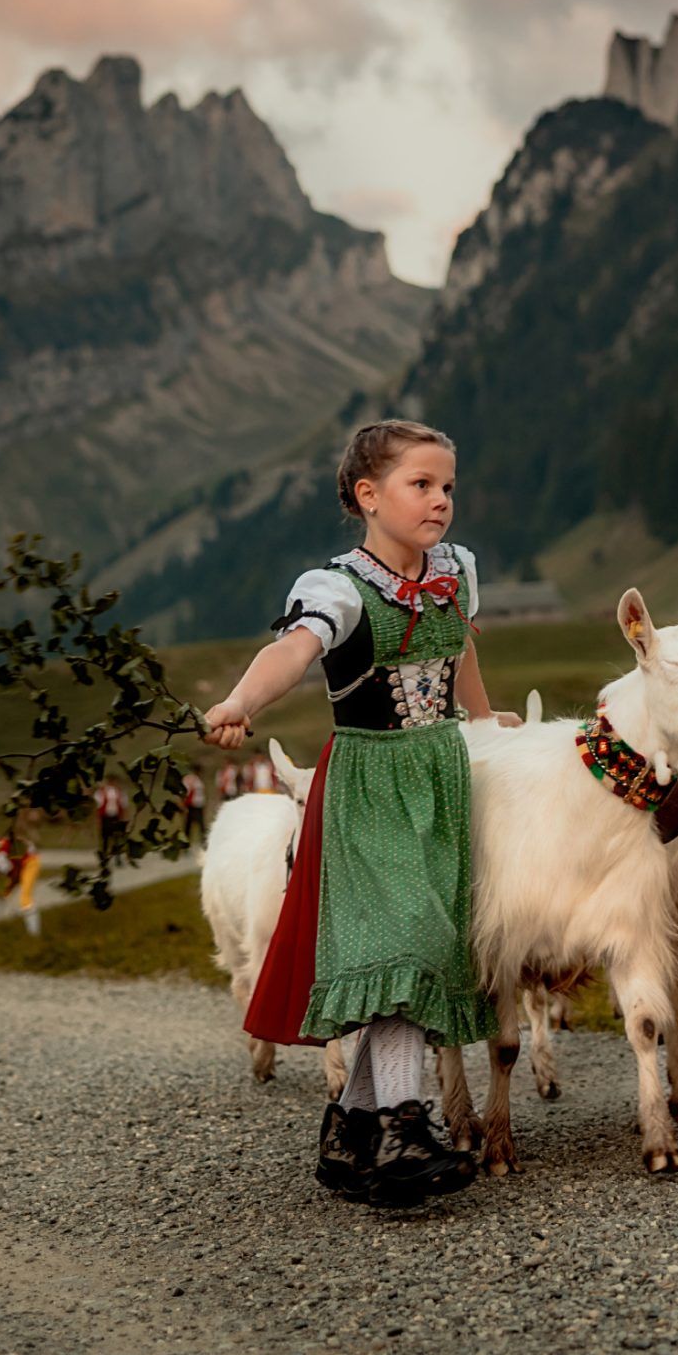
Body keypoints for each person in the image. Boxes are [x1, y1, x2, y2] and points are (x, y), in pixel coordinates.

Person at [208, 419, 516, 1209]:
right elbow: (293, 652)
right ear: (367, 496)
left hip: (442, 774)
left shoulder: (456, 571)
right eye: (422, 485)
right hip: (372, 782)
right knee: (402, 946)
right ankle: (403, 1130)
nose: (441, 500)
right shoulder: (337, 587)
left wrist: (484, 721)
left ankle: (348, 1132)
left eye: (448, 486)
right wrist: (242, 699)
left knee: (424, 944)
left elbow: (461, 648)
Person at [0, 833, 42, 935]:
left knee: (25, 898)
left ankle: (34, 934)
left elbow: (5, 867)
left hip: (29, 862)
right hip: (15, 868)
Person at [93, 778, 128, 855]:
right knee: (105, 836)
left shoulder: (120, 792)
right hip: (105, 816)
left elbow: (123, 806)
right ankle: (104, 852)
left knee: (117, 836)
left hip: (116, 816)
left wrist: (123, 817)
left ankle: (116, 854)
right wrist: (98, 818)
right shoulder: (101, 792)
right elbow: (98, 806)